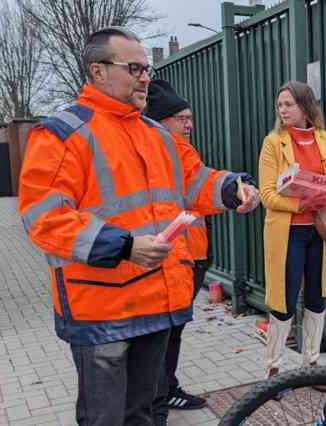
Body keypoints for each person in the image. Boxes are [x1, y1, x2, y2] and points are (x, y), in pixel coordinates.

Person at [18, 27, 260, 426]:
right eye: (134, 68)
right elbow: (44, 218)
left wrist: (234, 188)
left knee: (145, 416)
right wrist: (126, 246)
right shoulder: (63, 135)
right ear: (97, 71)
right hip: (101, 310)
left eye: (146, 68)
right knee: (106, 419)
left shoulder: (155, 135)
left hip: (157, 300)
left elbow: (194, 181)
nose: (145, 76)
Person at [259, 80, 326, 378]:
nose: (282, 110)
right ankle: (273, 369)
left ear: (305, 107)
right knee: (284, 302)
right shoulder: (274, 142)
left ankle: (310, 365)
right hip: (288, 232)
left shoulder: (325, 139)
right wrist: (299, 204)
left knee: (317, 297)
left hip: (321, 231)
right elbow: (267, 195)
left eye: (289, 104)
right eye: (280, 105)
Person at [145, 80, 213, 422]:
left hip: (191, 255)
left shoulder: (181, 148)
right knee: (165, 333)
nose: (189, 124)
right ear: (160, 120)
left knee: (173, 331)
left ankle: (166, 388)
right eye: (181, 118)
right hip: (174, 258)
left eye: (190, 118)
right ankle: (161, 395)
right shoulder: (166, 149)